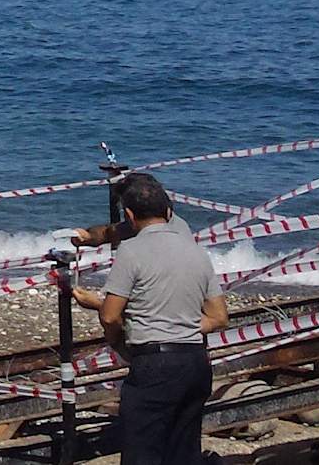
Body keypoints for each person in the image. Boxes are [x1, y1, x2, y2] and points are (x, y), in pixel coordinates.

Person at [69, 172, 225, 465]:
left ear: (129, 214)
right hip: (195, 360)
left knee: (142, 452)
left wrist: (120, 340)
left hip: (155, 363)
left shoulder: (132, 251)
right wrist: (179, 326)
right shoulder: (196, 250)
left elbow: (110, 316)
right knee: (184, 450)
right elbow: (218, 317)